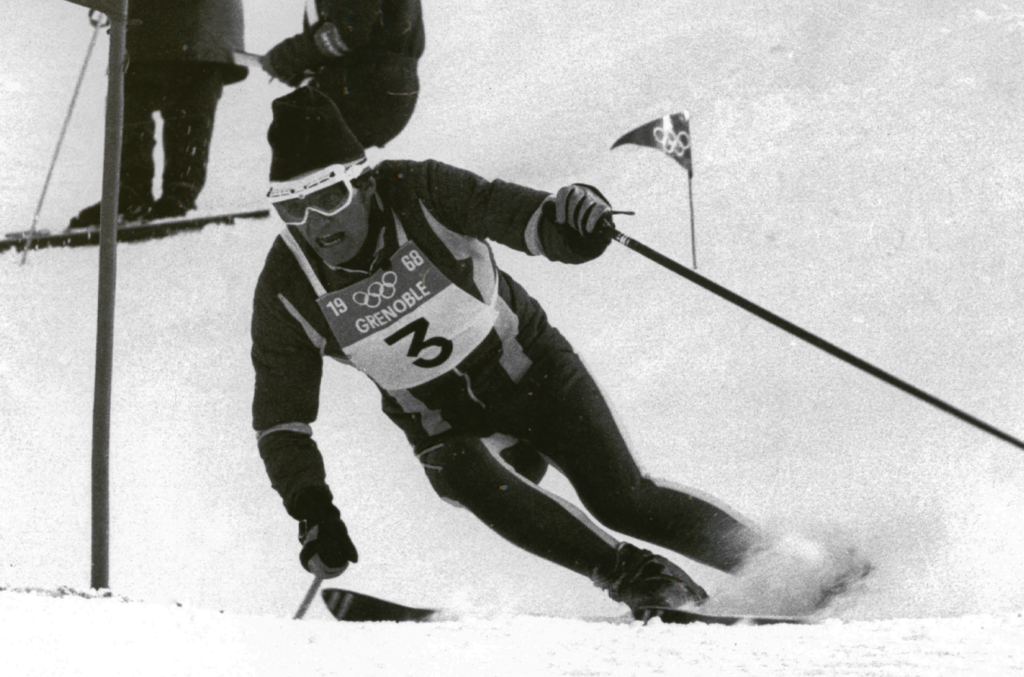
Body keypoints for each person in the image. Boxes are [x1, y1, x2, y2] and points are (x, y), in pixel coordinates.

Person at [250, 88, 862, 619]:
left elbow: (529, 218)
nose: (314, 222)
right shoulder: (289, 287)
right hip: (447, 426)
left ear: (362, 181)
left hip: (536, 376)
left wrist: (577, 214)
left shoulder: (421, 191)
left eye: (328, 197)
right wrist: (312, 509)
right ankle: (640, 578)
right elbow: (281, 419)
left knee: (621, 498)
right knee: (458, 467)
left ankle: (787, 569)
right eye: (292, 207)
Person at [69, 0, 249, 229]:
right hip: (153, 26)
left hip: (199, 26)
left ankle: (176, 192)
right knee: (130, 104)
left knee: (185, 105)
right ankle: (136, 192)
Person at [259, 0, 424, 149]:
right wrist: (301, 69)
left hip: (364, 84)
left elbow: (345, 33)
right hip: (391, 87)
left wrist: (284, 58)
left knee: (297, 156)